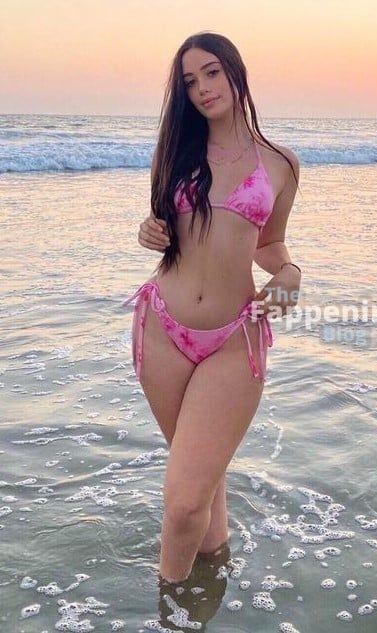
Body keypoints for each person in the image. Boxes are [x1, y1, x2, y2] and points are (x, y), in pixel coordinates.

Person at [123, 31, 301, 585]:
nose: (202, 88)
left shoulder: (280, 164)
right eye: (189, 81)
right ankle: (211, 580)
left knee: (184, 501)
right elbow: (163, 226)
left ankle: (169, 609)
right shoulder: (176, 152)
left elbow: (270, 243)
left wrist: (290, 273)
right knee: (200, 481)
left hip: (233, 338)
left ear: (234, 71)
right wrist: (148, 230)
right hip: (162, 328)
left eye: (211, 72)